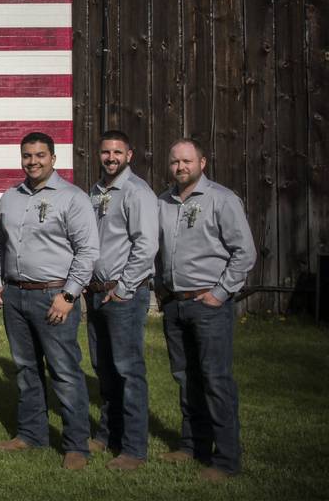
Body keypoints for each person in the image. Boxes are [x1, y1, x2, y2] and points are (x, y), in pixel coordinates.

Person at [0, 132, 99, 470]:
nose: (32, 162)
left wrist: (69, 294)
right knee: (25, 369)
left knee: (64, 371)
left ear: (53, 157)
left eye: (39, 155)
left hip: (55, 295)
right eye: (27, 156)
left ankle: (77, 444)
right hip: (16, 295)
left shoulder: (72, 198)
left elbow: (88, 251)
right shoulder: (10, 197)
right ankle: (31, 433)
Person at [156, 138, 256, 481]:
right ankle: (192, 445)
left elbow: (245, 252)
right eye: (174, 162)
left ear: (203, 162)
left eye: (187, 161)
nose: (180, 167)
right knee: (186, 379)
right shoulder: (163, 202)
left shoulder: (223, 200)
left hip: (208, 305)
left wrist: (221, 292)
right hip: (175, 304)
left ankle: (227, 458)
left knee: (215, 380)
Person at [86, 130, 159, 470]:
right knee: (104, 367)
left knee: (128, 370)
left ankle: (133, 449)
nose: (111, 157)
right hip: (97, 292)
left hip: (123, 293)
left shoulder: (136, 192)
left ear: (129, 155)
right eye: (105, 152)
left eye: (117, 152)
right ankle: (108, 434)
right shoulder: (97, 191)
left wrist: (125, 287)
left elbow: (146, 246)